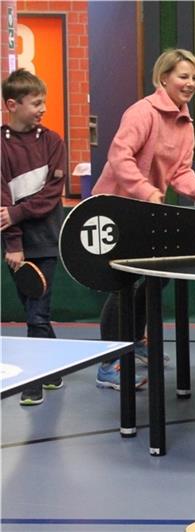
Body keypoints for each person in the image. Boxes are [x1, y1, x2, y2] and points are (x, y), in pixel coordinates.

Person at [92, 49, 195, 390]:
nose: (190, 84)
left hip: (147, 209)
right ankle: (109, 363)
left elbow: (181, 173)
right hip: (117, 207)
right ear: (163, 78)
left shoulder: (185, 124)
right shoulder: (142, 112)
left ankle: (134, 339)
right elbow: (119, 155)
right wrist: (145, 190)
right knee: (123, 284)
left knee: (157, 278)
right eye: (183, 76)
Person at [1, 69, 67, 406]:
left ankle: (35, 381)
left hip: (46, 240)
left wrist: (16, 213)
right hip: (16, 247)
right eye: (36, 102)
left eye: (44, 101)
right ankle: (54, 369)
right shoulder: (0, 146)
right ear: (13, 104)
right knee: (33, 308)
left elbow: (52, 195)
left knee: (36, 314)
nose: (43, 108)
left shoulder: (53, 142)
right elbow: (1, 201)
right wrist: (13, 243)